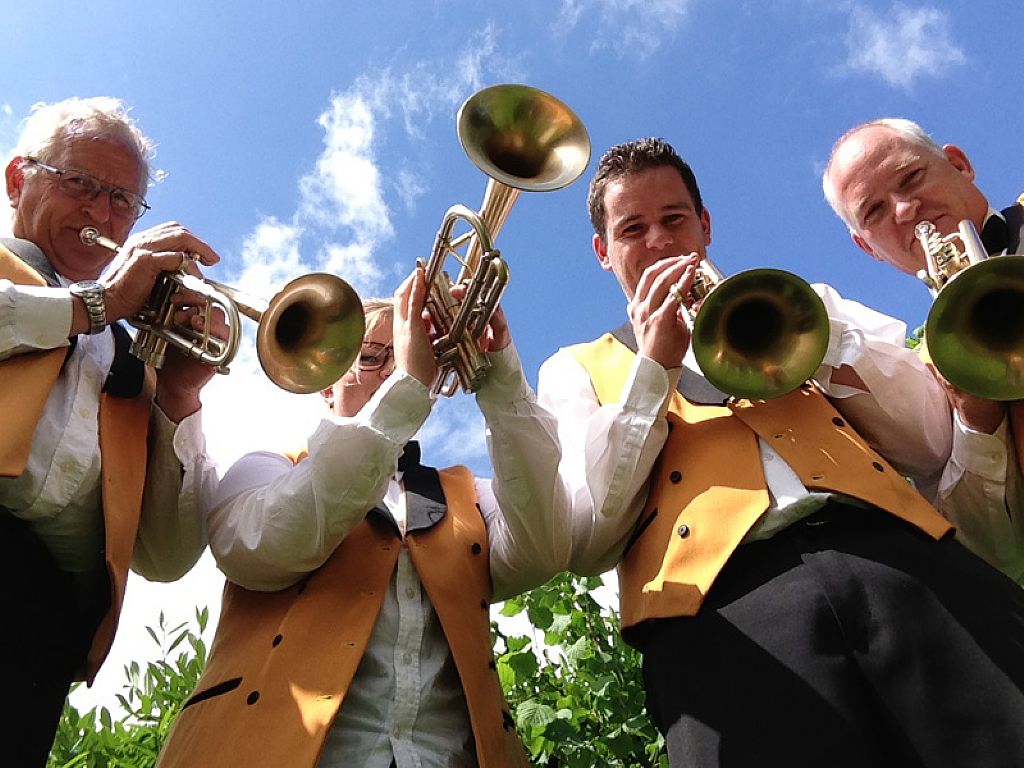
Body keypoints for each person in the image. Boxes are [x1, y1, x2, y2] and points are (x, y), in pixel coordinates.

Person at [537, 136, 1024, 766]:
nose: (658, 241)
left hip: (905, 568)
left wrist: (815, 339)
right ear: (604, 252)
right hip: (723, 620)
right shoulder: (573, 367)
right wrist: (653, 370)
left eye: (674, 219)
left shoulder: (807, 306)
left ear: (705, 226)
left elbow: (933, 439)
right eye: (633, 229)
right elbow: (589, 534)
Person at [155, 266, 569, 768]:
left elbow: (545, 548)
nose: (393, 372)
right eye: (372, 356)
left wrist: (500, 379)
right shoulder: (267, 467)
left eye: (407, 355)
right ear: (324, 383)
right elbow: (260, 552)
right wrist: (406, 389)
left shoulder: (469, 493)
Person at [1, 96, 221, 764]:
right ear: (17, 179)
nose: (101, 214)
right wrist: (100, 304)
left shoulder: (133, 361)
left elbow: (165, 557)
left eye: (122, 200)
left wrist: (179, 393)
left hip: (31, 643)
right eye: (80, 183)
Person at [822, 118, 1024, 582]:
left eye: (911, 178)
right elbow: (993, 552)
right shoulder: (929, 372)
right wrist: (976, 417)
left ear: (959, 164)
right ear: (868, 248)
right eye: (874, 211)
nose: (905, 210)